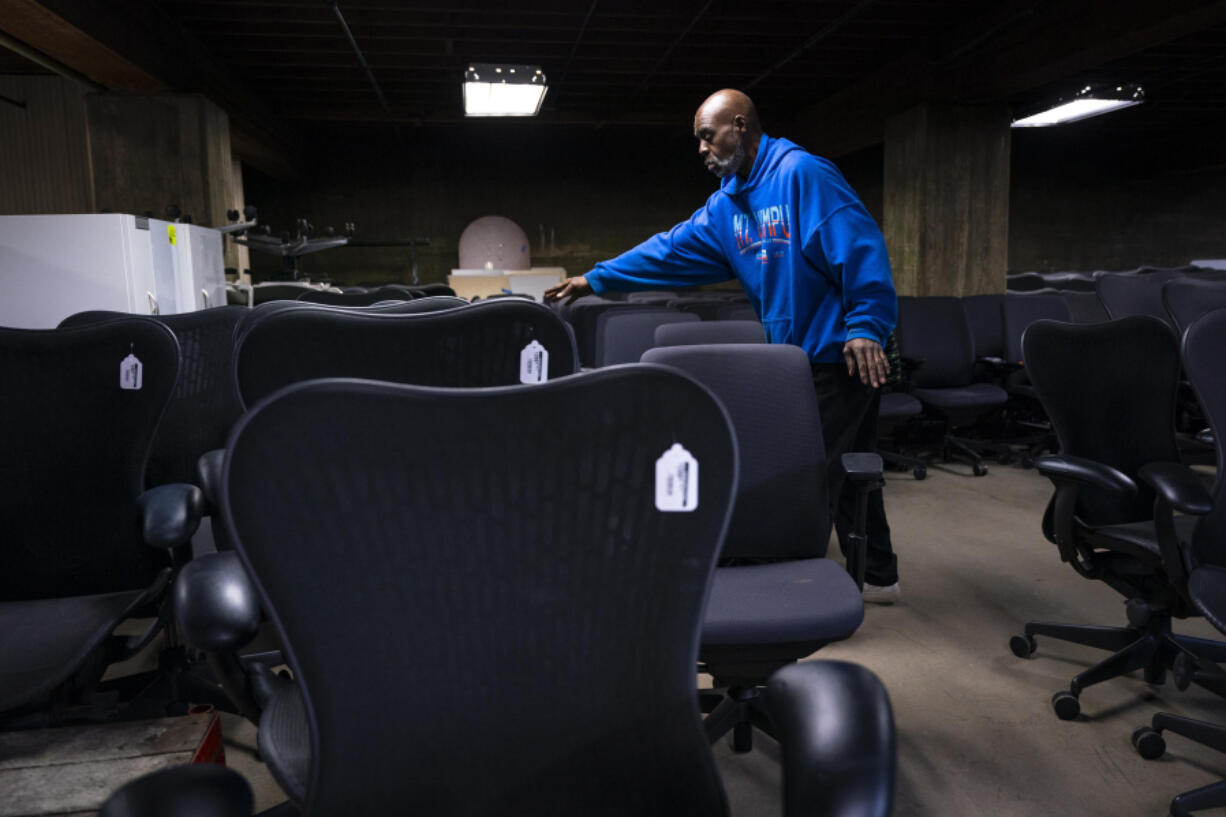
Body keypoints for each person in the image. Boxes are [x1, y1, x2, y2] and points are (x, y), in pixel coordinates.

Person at [544, 89, 901, 603]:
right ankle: (880, 574)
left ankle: (783, 581)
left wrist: (866, 323)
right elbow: (668, 251)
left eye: (707, 136)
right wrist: (595, 279)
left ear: (739, 126)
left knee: (805, 475)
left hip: (837, 353)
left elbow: (860, 246)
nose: (701, 149)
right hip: (795, 360)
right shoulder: (727, 206)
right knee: (848, 465)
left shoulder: (802, 174)